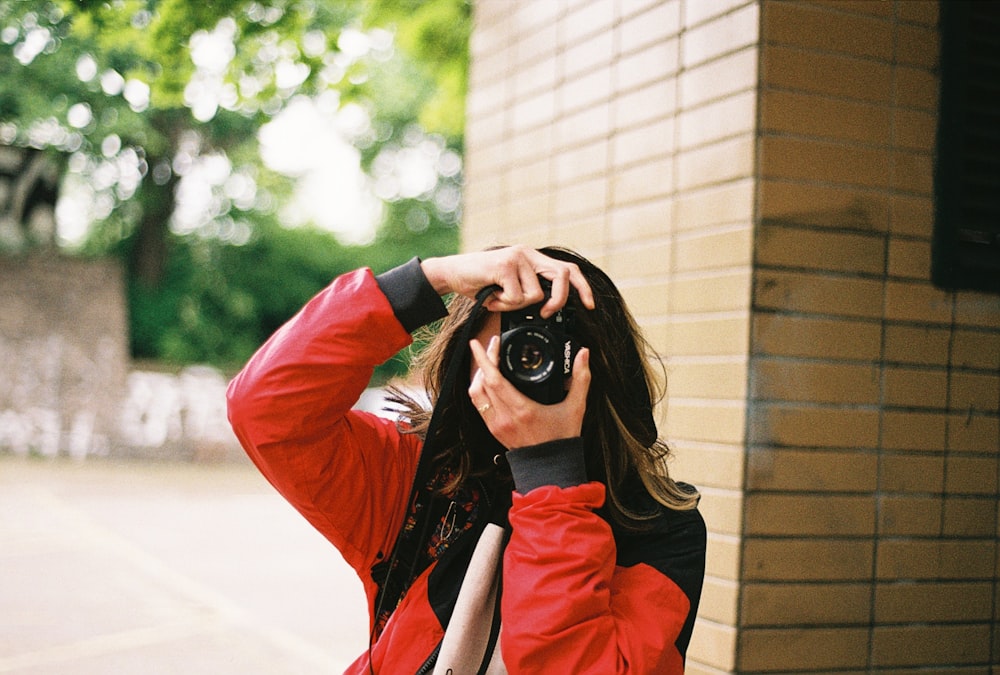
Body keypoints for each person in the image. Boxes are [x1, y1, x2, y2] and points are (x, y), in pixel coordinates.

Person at [226, 245, 706, 674]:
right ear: (464, 359)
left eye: (541, 351)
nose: (522, 367)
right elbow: (266, 409)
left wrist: (549, 472)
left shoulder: (660, 530)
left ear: (599, 370)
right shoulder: (419, 475)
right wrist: (429, 279)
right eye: (505, 349)